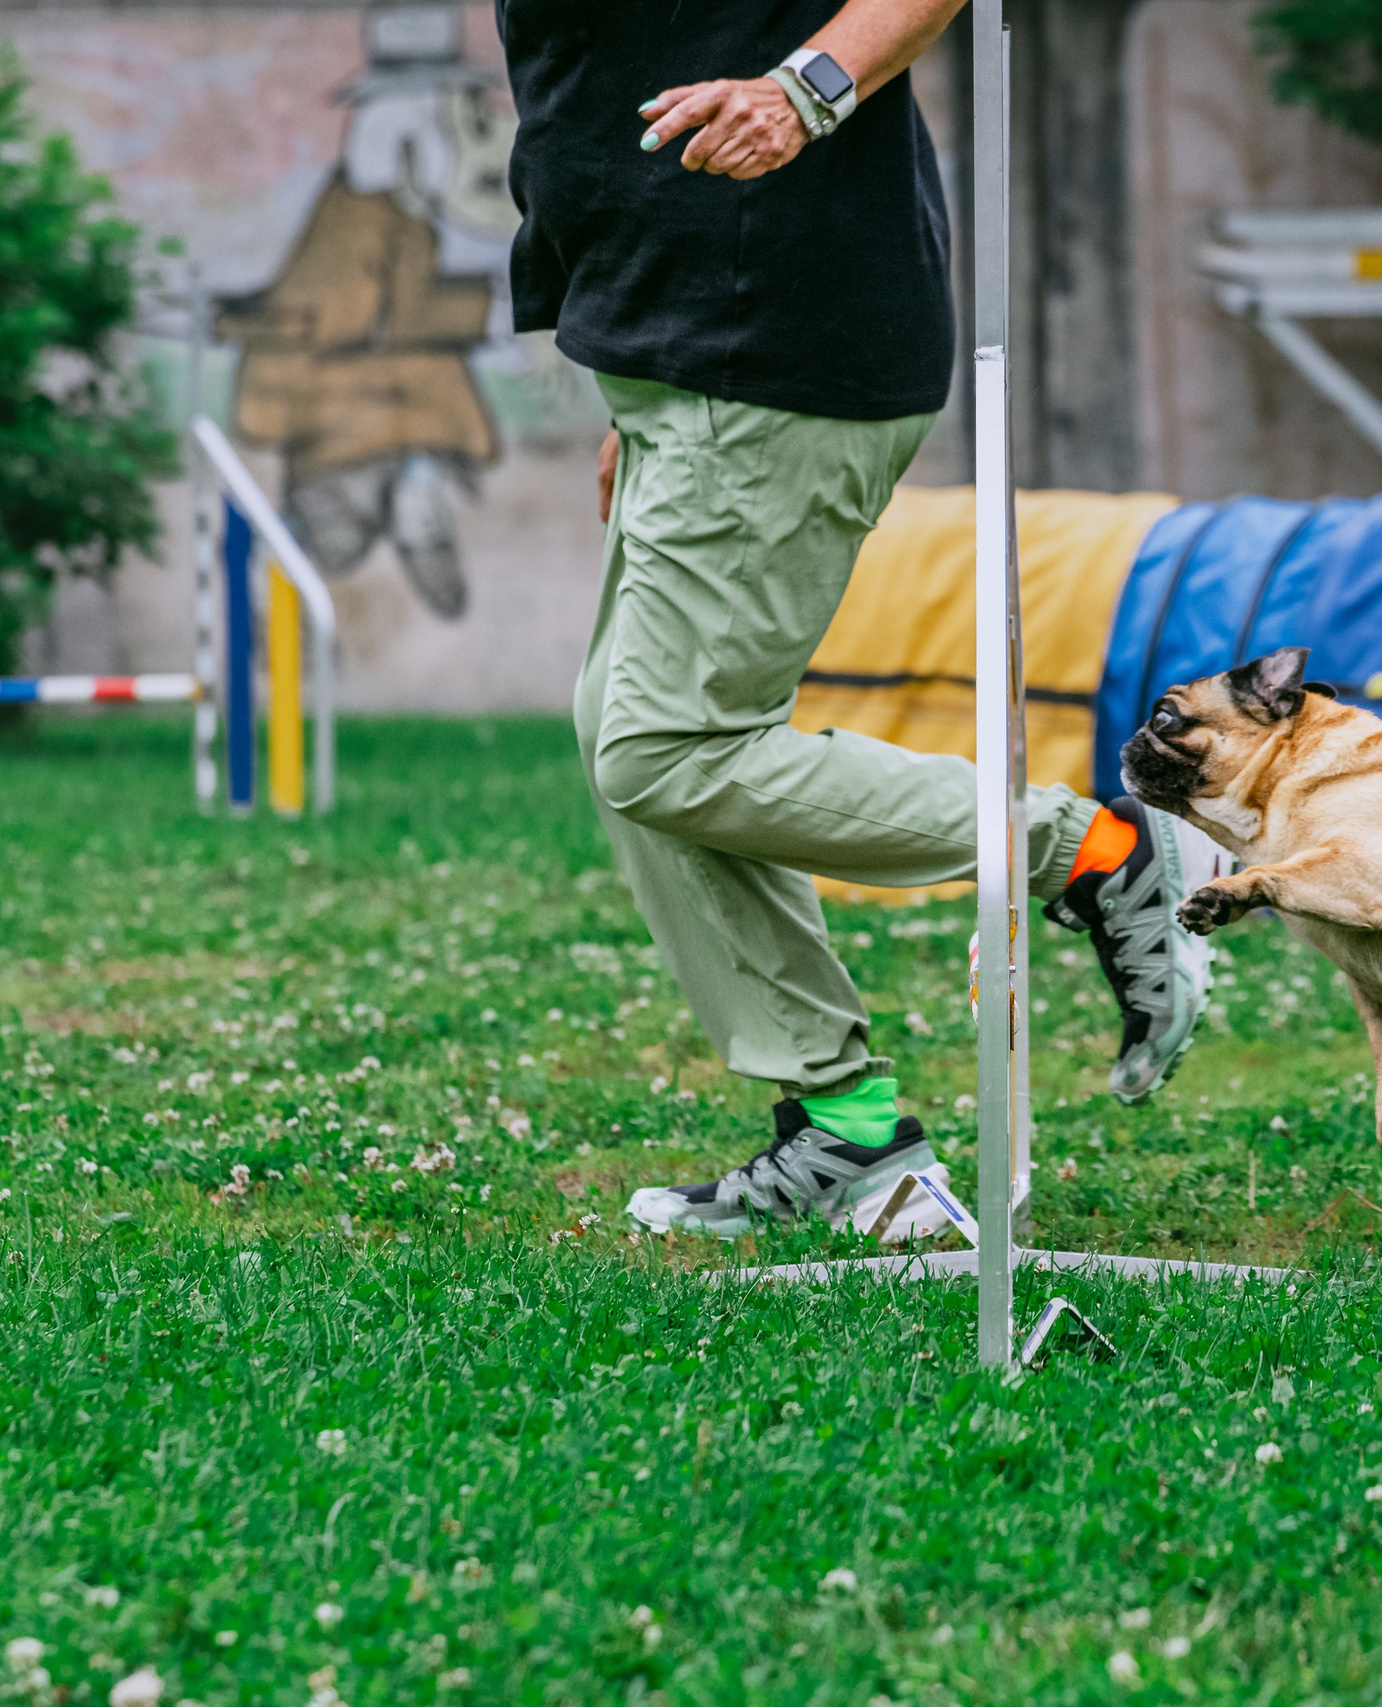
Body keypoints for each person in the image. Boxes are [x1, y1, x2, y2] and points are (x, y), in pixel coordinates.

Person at [497, 0, 1211, 1237]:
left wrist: (805, 89)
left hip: (770, 338)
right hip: (679, 349)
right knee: (630, 737)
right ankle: (851, 1134)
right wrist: (636, 381)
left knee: (668, 747)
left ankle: (1095, 852)